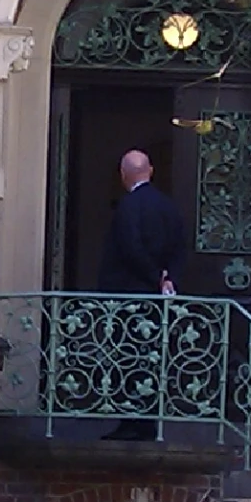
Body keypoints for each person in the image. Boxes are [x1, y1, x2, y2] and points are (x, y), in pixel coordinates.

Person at [98, 150, 187, 437]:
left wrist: (153, 277)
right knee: (151, 356)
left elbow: (130, 247)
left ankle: (132, 422)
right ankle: (148, 421)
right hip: (157, 300)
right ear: (151, 170)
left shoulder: (128, 206)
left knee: (128, 357)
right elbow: (180, 248)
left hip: (128, 297)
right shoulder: (169, 207)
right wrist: (167, 278)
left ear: (124, 175)